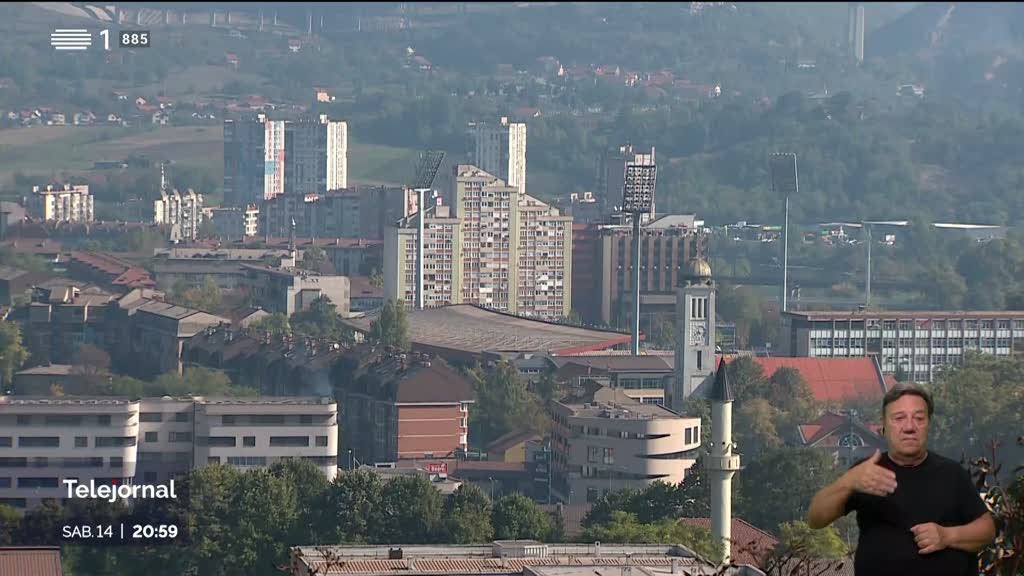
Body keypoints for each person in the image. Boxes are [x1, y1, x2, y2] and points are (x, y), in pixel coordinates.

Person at [807, 382, 996, 576]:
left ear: (928, 424)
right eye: (899, 418)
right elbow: (815, 518)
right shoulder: (866, 472)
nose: (909, 427)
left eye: (919, 418)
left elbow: (987, 530)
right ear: (883, 426)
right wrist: (847, 482)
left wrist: (946, 536)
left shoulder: (952, 474)